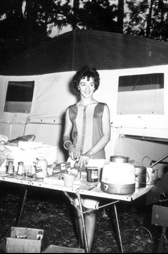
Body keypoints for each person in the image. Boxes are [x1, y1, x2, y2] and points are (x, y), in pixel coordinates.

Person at [62, 65, 111, 251]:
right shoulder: (70, 110)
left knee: (89, 209)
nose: (87, 88)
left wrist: (89, 154)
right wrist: (71, 147)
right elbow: (66, 137)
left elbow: (106, 136)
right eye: (83, 83)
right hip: (74, 163)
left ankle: (86, 250)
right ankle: (81, 245)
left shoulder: (102, 108)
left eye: (91, 83)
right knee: (76, 208)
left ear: (95, 85)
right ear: (78, 86)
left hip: (95, 162)